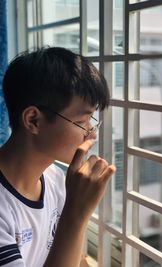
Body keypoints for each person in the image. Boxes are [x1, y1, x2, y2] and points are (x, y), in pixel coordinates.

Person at [0, 47, 116, 267]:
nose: (91, 133)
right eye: (82, 121)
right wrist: (77, 212)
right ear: (33, 120)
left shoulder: (54, 179)